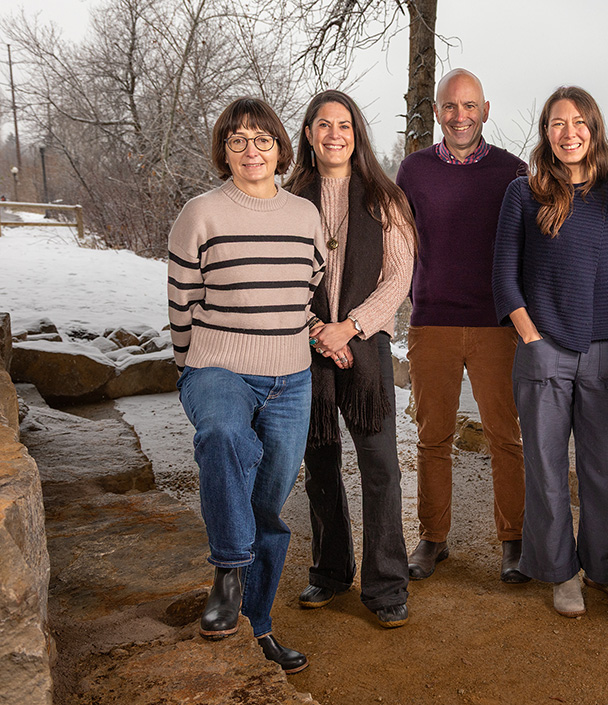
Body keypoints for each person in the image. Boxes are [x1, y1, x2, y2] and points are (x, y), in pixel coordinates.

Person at [168, 97, 326, 673]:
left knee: (267, 504)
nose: (251, 150)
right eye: (238, 140)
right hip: (218, 366)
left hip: (292, 377)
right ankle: (229, 569)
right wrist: (190, 369)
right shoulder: (200, 214)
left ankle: (257, 626)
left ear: (282, 149)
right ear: (224, 151)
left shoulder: (304, 216)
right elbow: (181, 302)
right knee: (222, 435)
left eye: (262, 139)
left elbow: (303, 291)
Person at [492, 86, 608, 618]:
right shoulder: (523, 192)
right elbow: (504, 279)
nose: (569, 132)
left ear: (594, 129)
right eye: (558, 123)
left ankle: (604, 569)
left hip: (604, 350)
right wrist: (531, 337)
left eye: (579, 122)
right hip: (543, 351)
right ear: (547, 133)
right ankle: (561, 573)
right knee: (548, 469)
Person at [285, 90, 416, 628]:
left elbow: (398, 279)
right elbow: (284, 278)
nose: (334, 134)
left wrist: (350, 327)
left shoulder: (385, 198)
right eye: (323, 125)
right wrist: (318, 329)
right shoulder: (288, 200)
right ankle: (331, 571)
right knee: (319, 462)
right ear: (309, 135)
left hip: (366, 347)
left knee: (380, 464)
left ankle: (386, 586)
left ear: (356, 134)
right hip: (306, 347)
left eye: (344, 125)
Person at [395, 68, 529, 583]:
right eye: (450, 106)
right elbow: (400, 245)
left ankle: (513, 541)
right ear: (436, 113)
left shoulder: (513, 172)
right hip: (433, 324)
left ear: (485, 111)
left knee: (505, 436)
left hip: (498, 324)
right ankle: (432, 539)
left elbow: (529, 249)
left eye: (469, 106)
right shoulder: (413, 171)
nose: (459, 116)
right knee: (433, 436)